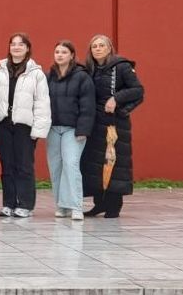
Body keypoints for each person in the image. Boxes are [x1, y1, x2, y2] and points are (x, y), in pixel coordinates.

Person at [0, 33, 51, 218]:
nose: (16, 47)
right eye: (13, 44)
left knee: (24, 166)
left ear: (27, 48)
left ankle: (25, 204)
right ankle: (9, 203)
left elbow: (42, 102)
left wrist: (38, 129)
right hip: (3, 124)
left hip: (24, 126)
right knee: (7, 166)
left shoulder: (36, 74)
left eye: (21, 44)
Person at [80, 35, 145, 219]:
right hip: (94, 124)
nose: (98, 49)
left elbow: (138, 91)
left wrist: (116, 99)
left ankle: (114, 206)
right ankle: (99, 204)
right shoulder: (89, 69)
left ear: (109, 48)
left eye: (102, 45)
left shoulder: (121, 67)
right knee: (95, 165)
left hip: (115, 124)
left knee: (114, 163)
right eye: (94, 46)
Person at [45, 40, 95, 221]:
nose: (59, 55)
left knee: (71, 164)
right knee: (55, 167)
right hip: (52, 129)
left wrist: (83, 129)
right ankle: (62, 205)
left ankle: (76, 206)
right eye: (57, 52)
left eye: (64, 52)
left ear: (72, 55)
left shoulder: (82, 77)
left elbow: (88, 106)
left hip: (73, 130)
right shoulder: (49, 76)